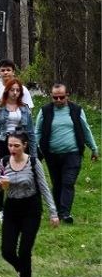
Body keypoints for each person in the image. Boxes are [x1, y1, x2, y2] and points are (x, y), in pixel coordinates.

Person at [0, 129, 59, 277]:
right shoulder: (4, 161)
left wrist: (53, 213)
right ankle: (21, 270)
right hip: (12, 208)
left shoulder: (33, 162)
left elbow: (44, 188)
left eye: (16, 145)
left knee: (24, 250)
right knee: (7, 251)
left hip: (31, 208)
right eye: (9, 145)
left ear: (25, 145)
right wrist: (1, 184)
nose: (12, 149)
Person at [35, 84, 98, 224]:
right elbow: (38, 131)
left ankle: (65, 213)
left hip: (73, 153)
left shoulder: (76, 110)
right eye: (55, 97)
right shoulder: (45, 111)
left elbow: (85, 130)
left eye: (61, 97)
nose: (58, 100)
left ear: (67, 96)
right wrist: (35, 149)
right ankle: (58, 210)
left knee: (68, 182)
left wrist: (93, 148)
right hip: (52, 154)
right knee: (57, 183)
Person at [0, 79, 36, 222]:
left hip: (19, 145)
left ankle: (18, 207)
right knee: (1, 176)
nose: (15, 93)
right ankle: (1, 209)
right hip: (2, 143)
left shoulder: (25, 109)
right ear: (7, 91)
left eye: (17, 90)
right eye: (12, 90)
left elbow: (31, 132)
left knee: (20, 175)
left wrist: (33, 154)